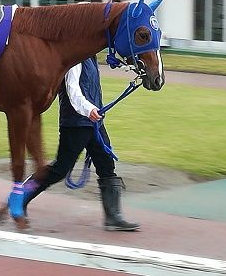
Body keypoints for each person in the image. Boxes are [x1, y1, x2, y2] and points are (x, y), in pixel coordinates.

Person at [22, 56, 140, 231]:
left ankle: (113, 217)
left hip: (94, 123)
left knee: (106, 164)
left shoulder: (90, 56)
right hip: (76, 123)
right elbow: (73, 89)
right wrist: (88, 109)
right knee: (60, 169)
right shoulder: (76, 58)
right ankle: (20, 196)